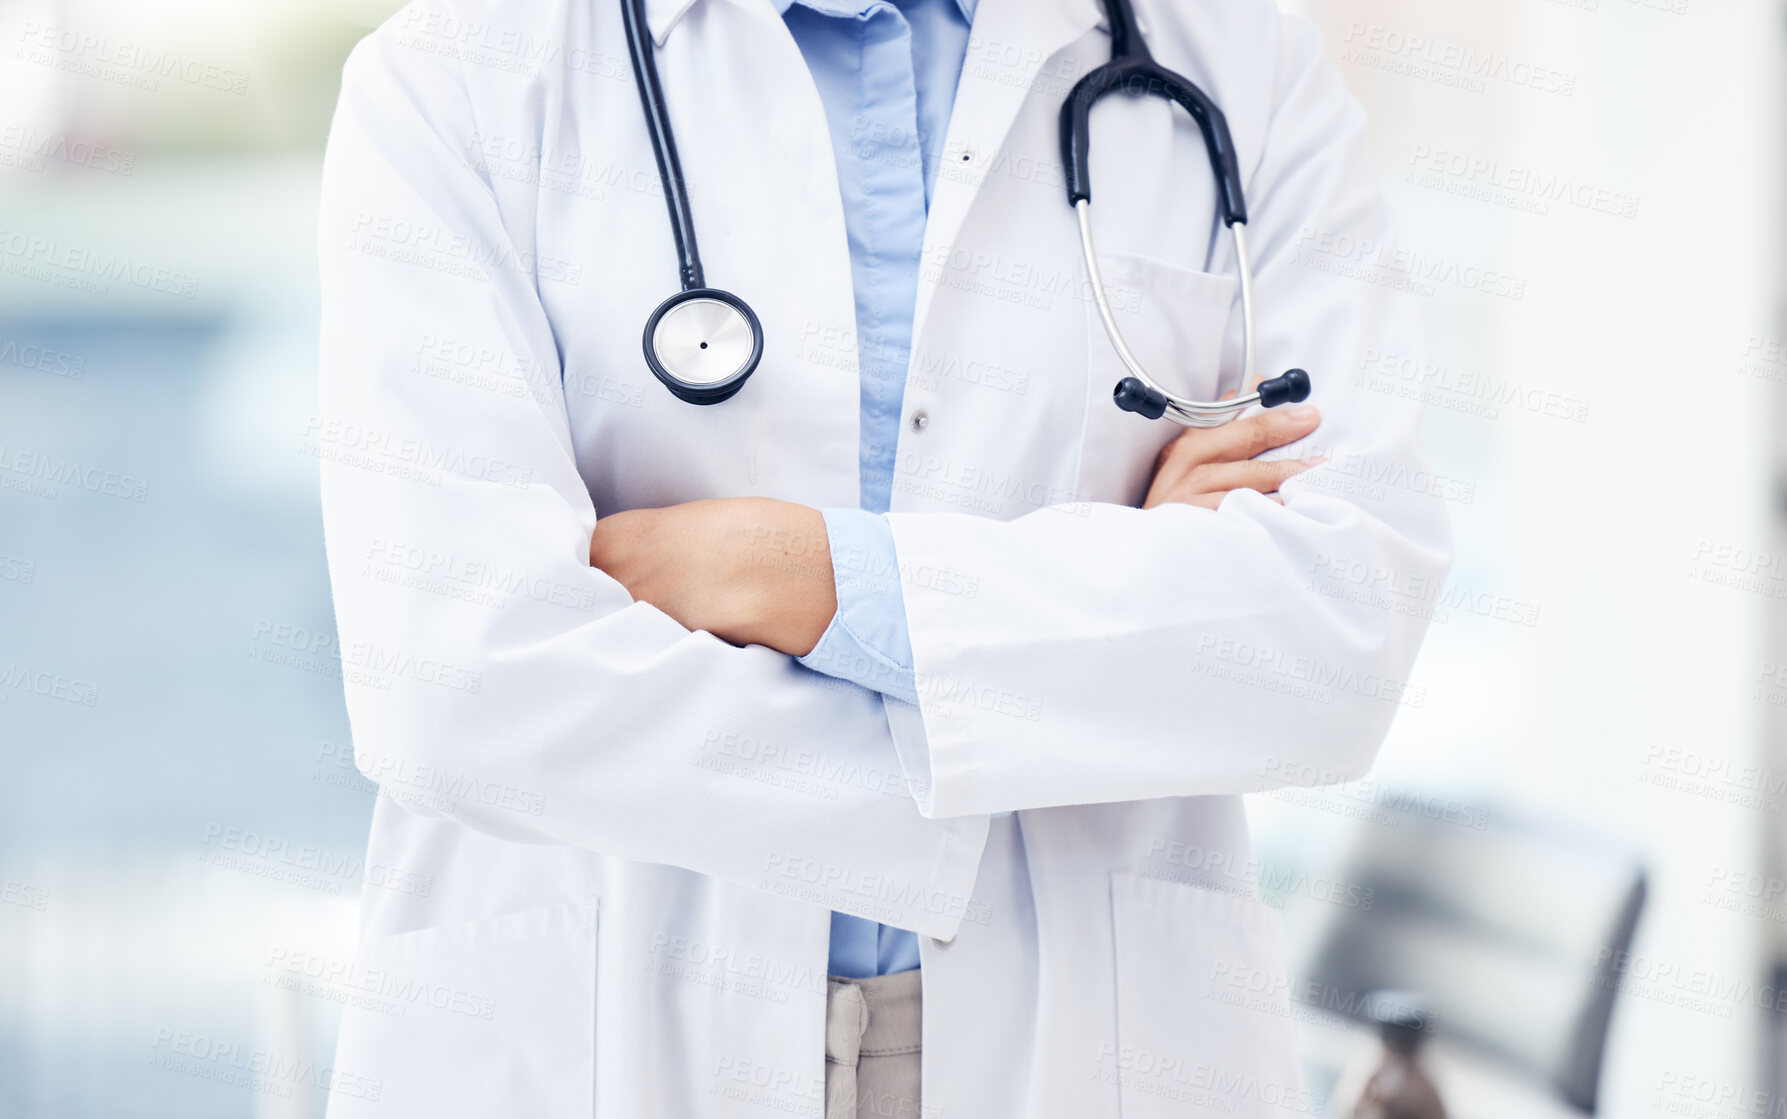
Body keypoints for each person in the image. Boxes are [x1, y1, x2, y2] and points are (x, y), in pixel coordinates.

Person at [314, 0, 1450, 1113]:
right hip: (601, 1029)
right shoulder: (457, 78)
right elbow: (462, 679)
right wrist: (1109, 638)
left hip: (1096, 1043)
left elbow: (1337, 625)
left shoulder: (1243, 67)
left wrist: (816, 578)